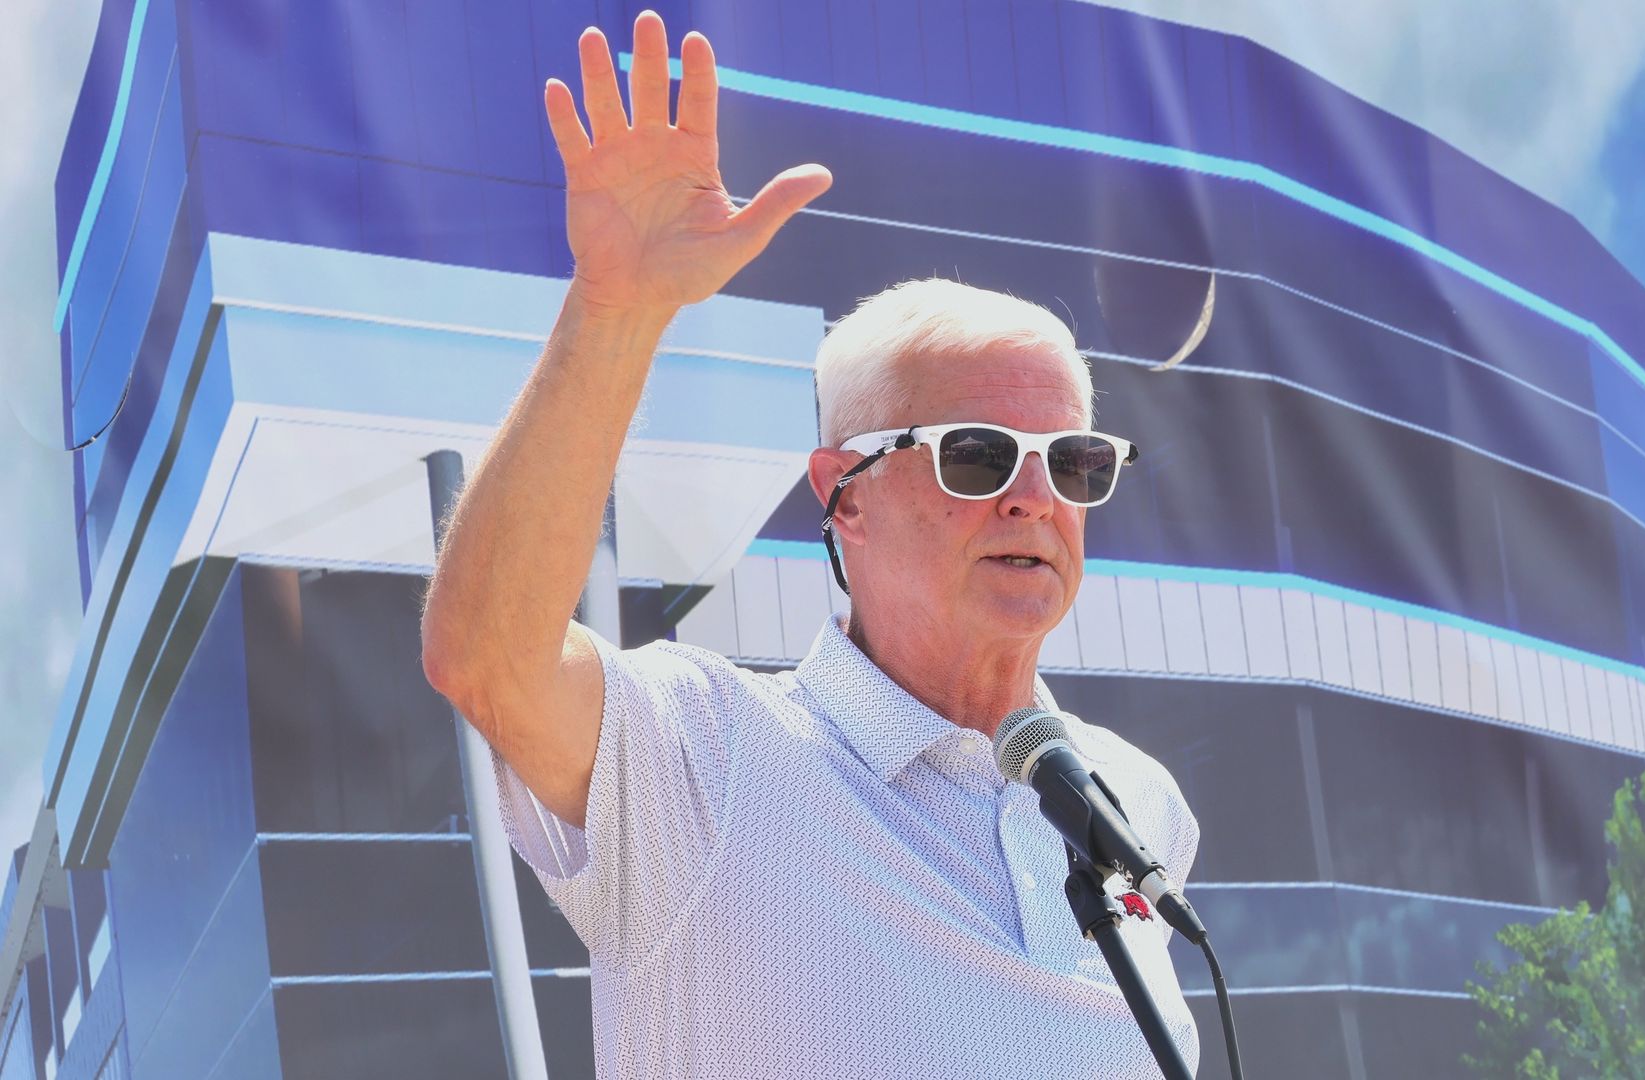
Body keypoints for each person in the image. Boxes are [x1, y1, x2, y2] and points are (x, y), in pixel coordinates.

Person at [420, 12, 1201, 1078]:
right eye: (976, 454)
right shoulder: (704, 759)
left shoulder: (1132, 799)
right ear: (846, 496)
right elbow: (489, 657)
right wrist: (618, 307)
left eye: (1070, 462)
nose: (1033, 496)